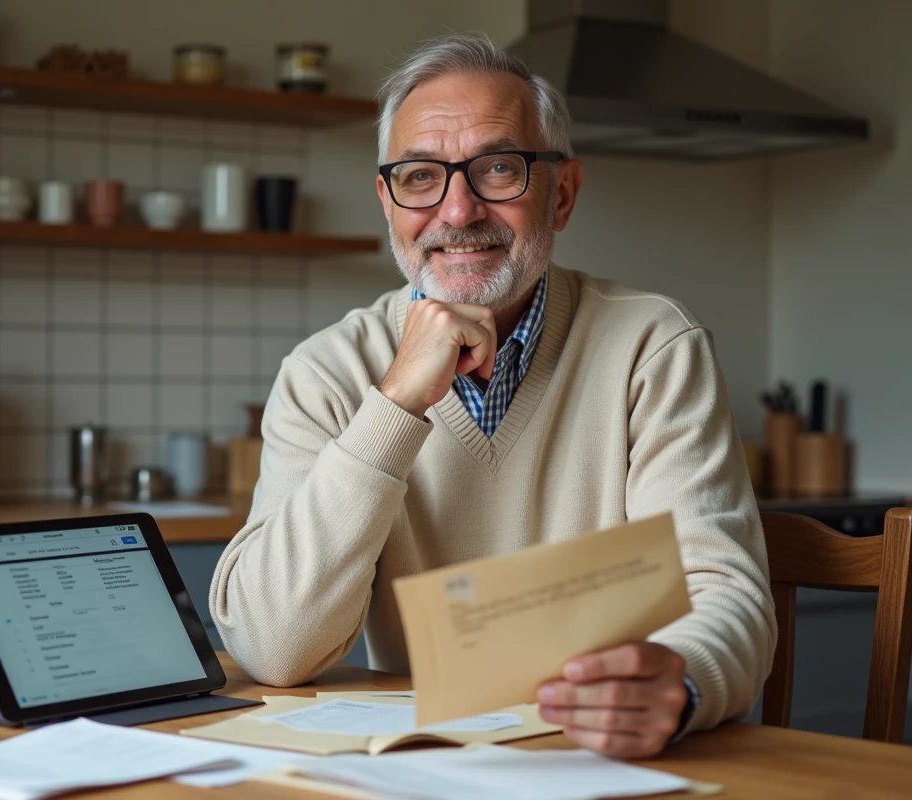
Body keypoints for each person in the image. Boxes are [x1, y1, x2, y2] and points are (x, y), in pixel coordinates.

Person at [210, 33, 776, 759]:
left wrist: (681, 680)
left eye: (499, 169)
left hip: (605, 762)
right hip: (413, 772)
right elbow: (273, 647)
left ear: (561, 194)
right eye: (421, 177)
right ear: (388, 202)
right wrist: (396, 404)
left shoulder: (653, 346)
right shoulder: (325, 370)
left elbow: (725, 595)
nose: (457, 210)